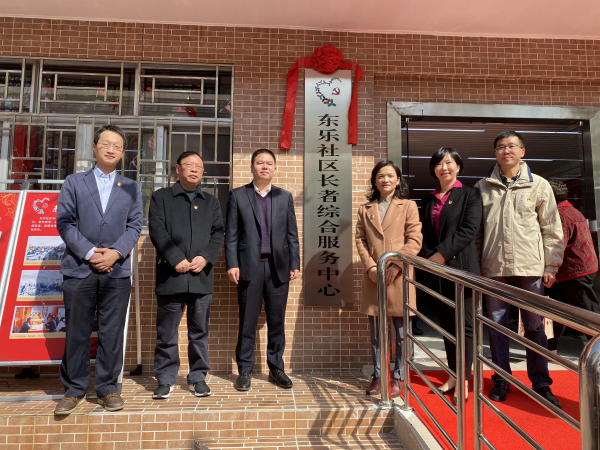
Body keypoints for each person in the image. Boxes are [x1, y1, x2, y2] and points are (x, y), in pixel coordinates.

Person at [55, 124, 143, 415]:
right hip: (80, 267)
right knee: (77, 331)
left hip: (116, 271)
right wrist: (91, 253)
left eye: (117, 146)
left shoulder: (130, 187)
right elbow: (65, 223)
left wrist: (115, 253)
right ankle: (74, 389)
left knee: (111, 332)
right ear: (94, 147)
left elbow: (134, 226)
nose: (111, 149)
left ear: (122, 152)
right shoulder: (74, 182)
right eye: (105, 144)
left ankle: (107, 388)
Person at [475, 131, 564, 408]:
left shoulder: (539, 185)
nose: (506, 150)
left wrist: (551, 265)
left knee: (535, 326)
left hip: (530, 267)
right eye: (500, 147)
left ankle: (541, 382)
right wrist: (476, 267)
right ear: (495, 153)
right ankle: (501, 379)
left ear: (522, 151)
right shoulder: (482, 187)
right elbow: (477, 233)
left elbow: (552, 229)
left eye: (511, 146)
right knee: (496, 325)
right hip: (494, 267)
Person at [148, 151, 224, 399]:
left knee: (199, 331)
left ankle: (198, 377)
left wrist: (206, 257)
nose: (194, 169)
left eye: (198, 166)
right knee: (167, 331)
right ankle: (165, 378)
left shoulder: (211, 201)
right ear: (177, 169)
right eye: (189, 164)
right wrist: (175, 258)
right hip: (171, 275)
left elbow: (218, 233)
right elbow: (157, 230)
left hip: (201, 275)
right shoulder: (161, 197)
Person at [225, 148, 300, 391]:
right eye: (260, 162)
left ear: (275, 168)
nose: (264, 166)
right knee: (247, 321)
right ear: (252, 167)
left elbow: (292, 234)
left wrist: (295, 263)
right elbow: (231, 234)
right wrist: (232, 263)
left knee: (277, 321)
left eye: (269, 163)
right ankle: (245, 371)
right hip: (250, 267)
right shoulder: (238, 195)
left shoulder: (284, 197)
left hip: (278, 268)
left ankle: (276, 368)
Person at [355, 160, 422, 397]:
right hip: (374, 278)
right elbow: (360, 240)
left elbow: (415, 240)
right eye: (381, 176)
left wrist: (396, 265)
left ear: (398, 180)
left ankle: (399, 377)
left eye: (390, 176)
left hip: (400, 277)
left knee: (402, 333)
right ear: (375, 181)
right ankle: (378, 375)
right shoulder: (365, 209)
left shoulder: (408, 206)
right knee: (377, 333)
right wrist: (371, 267)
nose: (385, 180)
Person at [419, 148, 481, 404]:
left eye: (449, 163)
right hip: (436, 273)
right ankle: (453, 374)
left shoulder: (470, 194)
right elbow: (422, 235)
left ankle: (464, 378)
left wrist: (441, 255)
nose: (444, 168)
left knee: (464, 326)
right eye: (439, 164)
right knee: (446, 326)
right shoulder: (428, 200)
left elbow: (469, 230)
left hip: (461, 270)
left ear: (458, 166)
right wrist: (429, 258)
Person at [545, 180, 599, 351]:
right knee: (558, 309)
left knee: (587, 312)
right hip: (580, 268)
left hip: (574, 270)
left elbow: (557, 245)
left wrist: (549, 267)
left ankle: (597, 350)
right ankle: (550, 347)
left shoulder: (559, 215)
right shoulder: (573, 211)